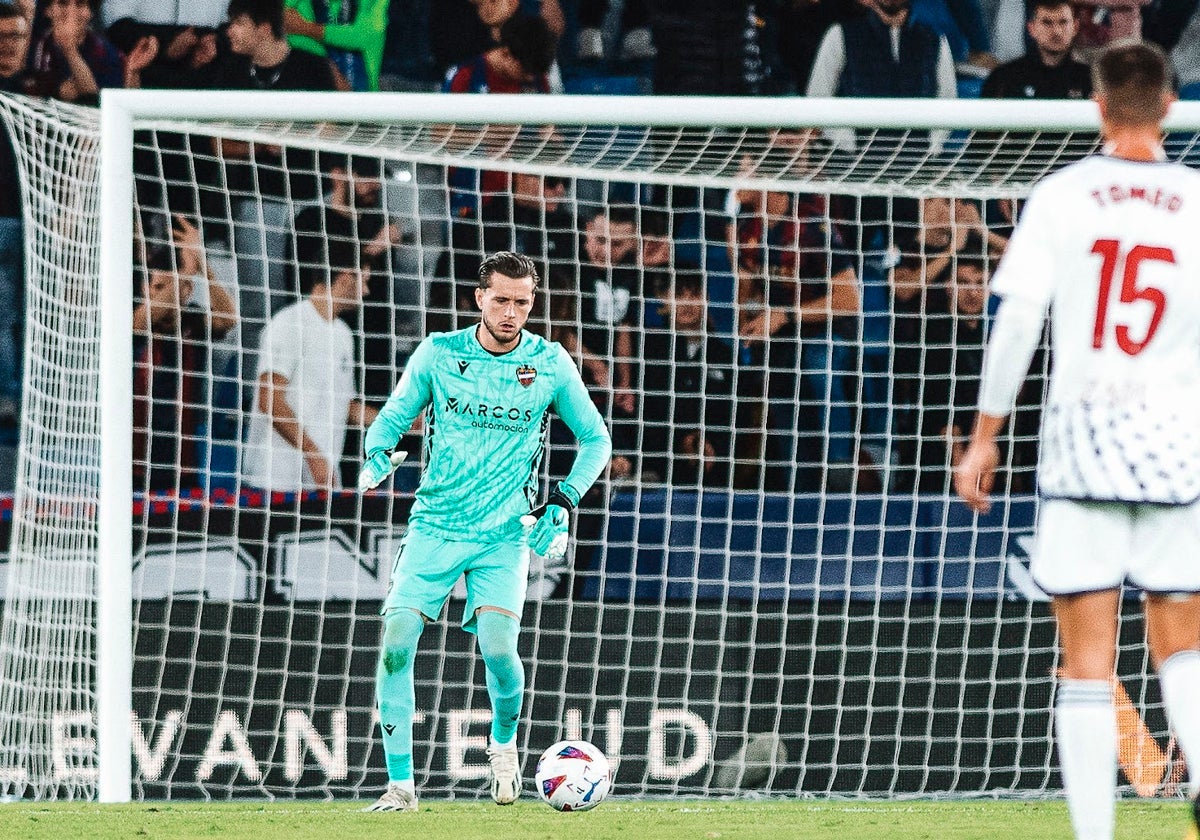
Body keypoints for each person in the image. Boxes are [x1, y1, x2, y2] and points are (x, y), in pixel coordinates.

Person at [955, 41, 1200, 840]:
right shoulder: (1196, 201)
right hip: (1173, 451)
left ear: (1095, 104)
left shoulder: (1063, 195)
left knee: (1086, 663)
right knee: (1183, 650)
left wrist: (984, 437)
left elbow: (1019, 320)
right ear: (1169, 106)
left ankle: (1095, 837)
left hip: (1083, 450)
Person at [358, 251, 611, 812]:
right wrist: (376, 453)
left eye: (523, 302)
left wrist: (563, 501)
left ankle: (503, 745)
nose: (511, 312)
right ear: (479, 298)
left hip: (504, 534)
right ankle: (400, 787)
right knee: (395, 647)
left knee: (499, 651)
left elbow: (596, 440)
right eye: (501, 299)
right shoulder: (440, 353)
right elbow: (393, 417)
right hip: (435, 527)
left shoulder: (549, 363)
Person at [242, 232, 377, 492]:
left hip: (321, 480)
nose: (366, 291)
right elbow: (269, 399)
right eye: (364, 281)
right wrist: (314, 455)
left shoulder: (343, 334)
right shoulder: (289, 322)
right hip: (276, 479)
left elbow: (345, 406)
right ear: (347, 275)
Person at [133, 216, 237, 491]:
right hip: (135, 463)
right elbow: (143, 319)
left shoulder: (192, 322)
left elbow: (228, 319)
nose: (158, 295)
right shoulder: (137, 324)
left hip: (184, 462)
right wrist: (184, 274)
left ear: (188, 291)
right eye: (155, 288)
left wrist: (204, 266)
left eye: (165, 288)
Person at [981, 0, 1091, 100]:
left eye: (1063, 22)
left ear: (1075, 27)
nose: (1056, 31)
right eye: (1047, 23)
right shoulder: (1004, 78)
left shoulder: (1091, 79)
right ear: (1031, 29)